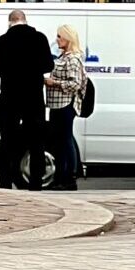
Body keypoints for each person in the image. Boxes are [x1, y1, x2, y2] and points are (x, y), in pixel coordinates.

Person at [0, 9, 54, 190]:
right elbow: (49, 65)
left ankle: (5, 180)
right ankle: (36, 182)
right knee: (36, 141)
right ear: (25, 20)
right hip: (33, 96)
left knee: (7, 139)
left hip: (9, 95)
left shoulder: (3, 40)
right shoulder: (40, 38)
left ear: (10, 22)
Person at [43, 24, 85, 191]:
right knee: (59, 142)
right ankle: (61, 176)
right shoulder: (63, 56)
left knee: (65, 141)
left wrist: (55, 83)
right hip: (56, 104)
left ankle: (69, 177)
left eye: (60, 36)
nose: (57, 39)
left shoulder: (73, 58)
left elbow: (76, 83)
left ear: (68, 38)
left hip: (65, 104)